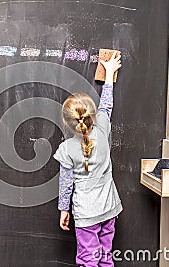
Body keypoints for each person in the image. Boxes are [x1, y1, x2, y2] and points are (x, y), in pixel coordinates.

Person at [53, 52, 123, 267]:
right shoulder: (102, 132)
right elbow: (106, 107)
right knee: (105, 257)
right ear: (92, 117)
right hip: (109, 209)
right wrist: (110, 73)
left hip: (86, 215)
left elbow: (66, 185)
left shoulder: (67, 149)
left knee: (88, 260)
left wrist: (64, 209)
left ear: (67, 123)